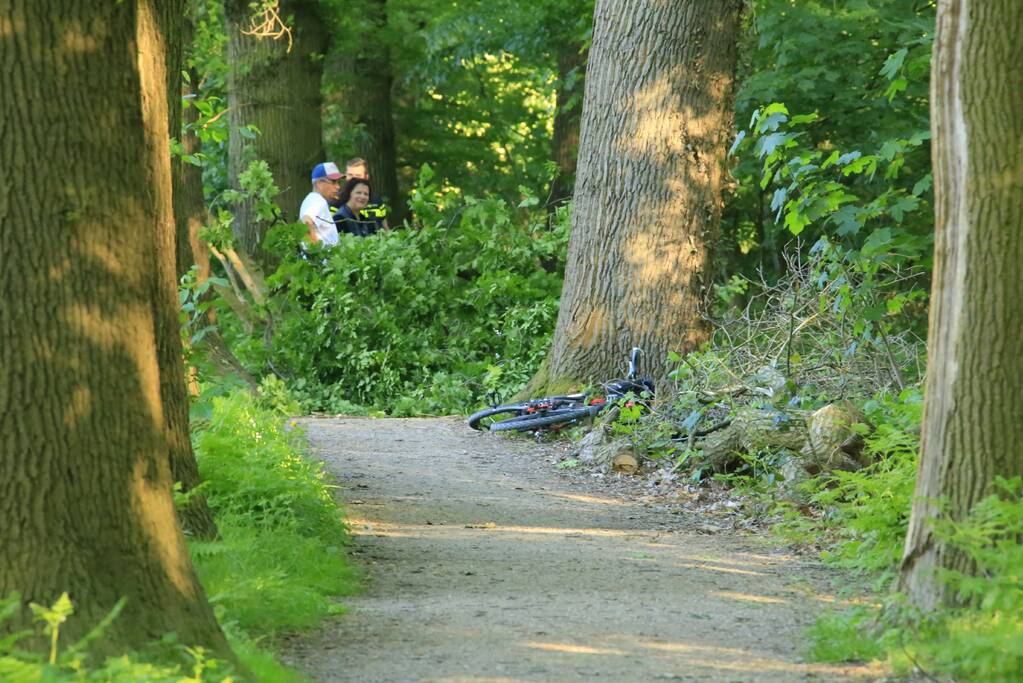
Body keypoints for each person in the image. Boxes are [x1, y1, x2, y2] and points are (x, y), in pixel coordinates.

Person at [299, 162, 343, 246]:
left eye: (339, 182)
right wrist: (315, 252)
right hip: (320, 259)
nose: (338, 187)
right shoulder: (317, 201)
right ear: (319, 183)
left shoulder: (314, 200)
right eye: (333, 182)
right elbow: (305, 223)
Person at [343, 157, 389, 230]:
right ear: (345, 176)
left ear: (366, 177)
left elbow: (385, 228)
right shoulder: (337, 202)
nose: (353, 179)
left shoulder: (377, 201)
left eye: (358, 176)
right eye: (350, 175)